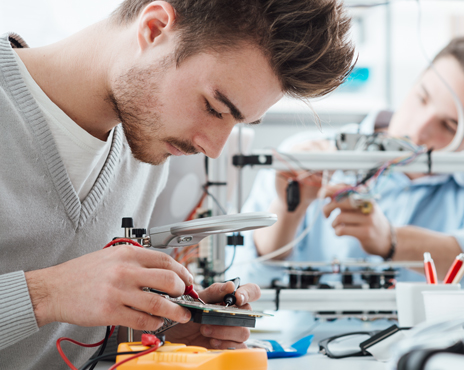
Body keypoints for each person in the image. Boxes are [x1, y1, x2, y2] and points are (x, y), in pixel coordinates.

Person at [0, 0, 355, 368]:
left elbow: (50, 346)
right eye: (214, 108)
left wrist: (161, 331)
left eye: (237, 123)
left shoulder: (144, 144)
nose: (213, 148)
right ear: (154, 28)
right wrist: (46, 293)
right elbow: (53, 300)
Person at [228, 37, 464, 287]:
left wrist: (389, 239)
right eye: (422, 98)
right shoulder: (302, 158)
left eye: (450, 126)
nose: (418, 130)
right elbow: (241, 279)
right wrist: (289, 210)